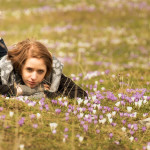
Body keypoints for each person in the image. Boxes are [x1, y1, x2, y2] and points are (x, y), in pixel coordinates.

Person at [0, 38, 88, 99]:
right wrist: (29, 90)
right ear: (20, 67)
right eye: (29, 69)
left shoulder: (52, 73)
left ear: (47, 71)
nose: (34, 77)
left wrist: (47, 94)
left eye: (40, 71)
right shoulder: (7, 69)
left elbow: (81, 94)